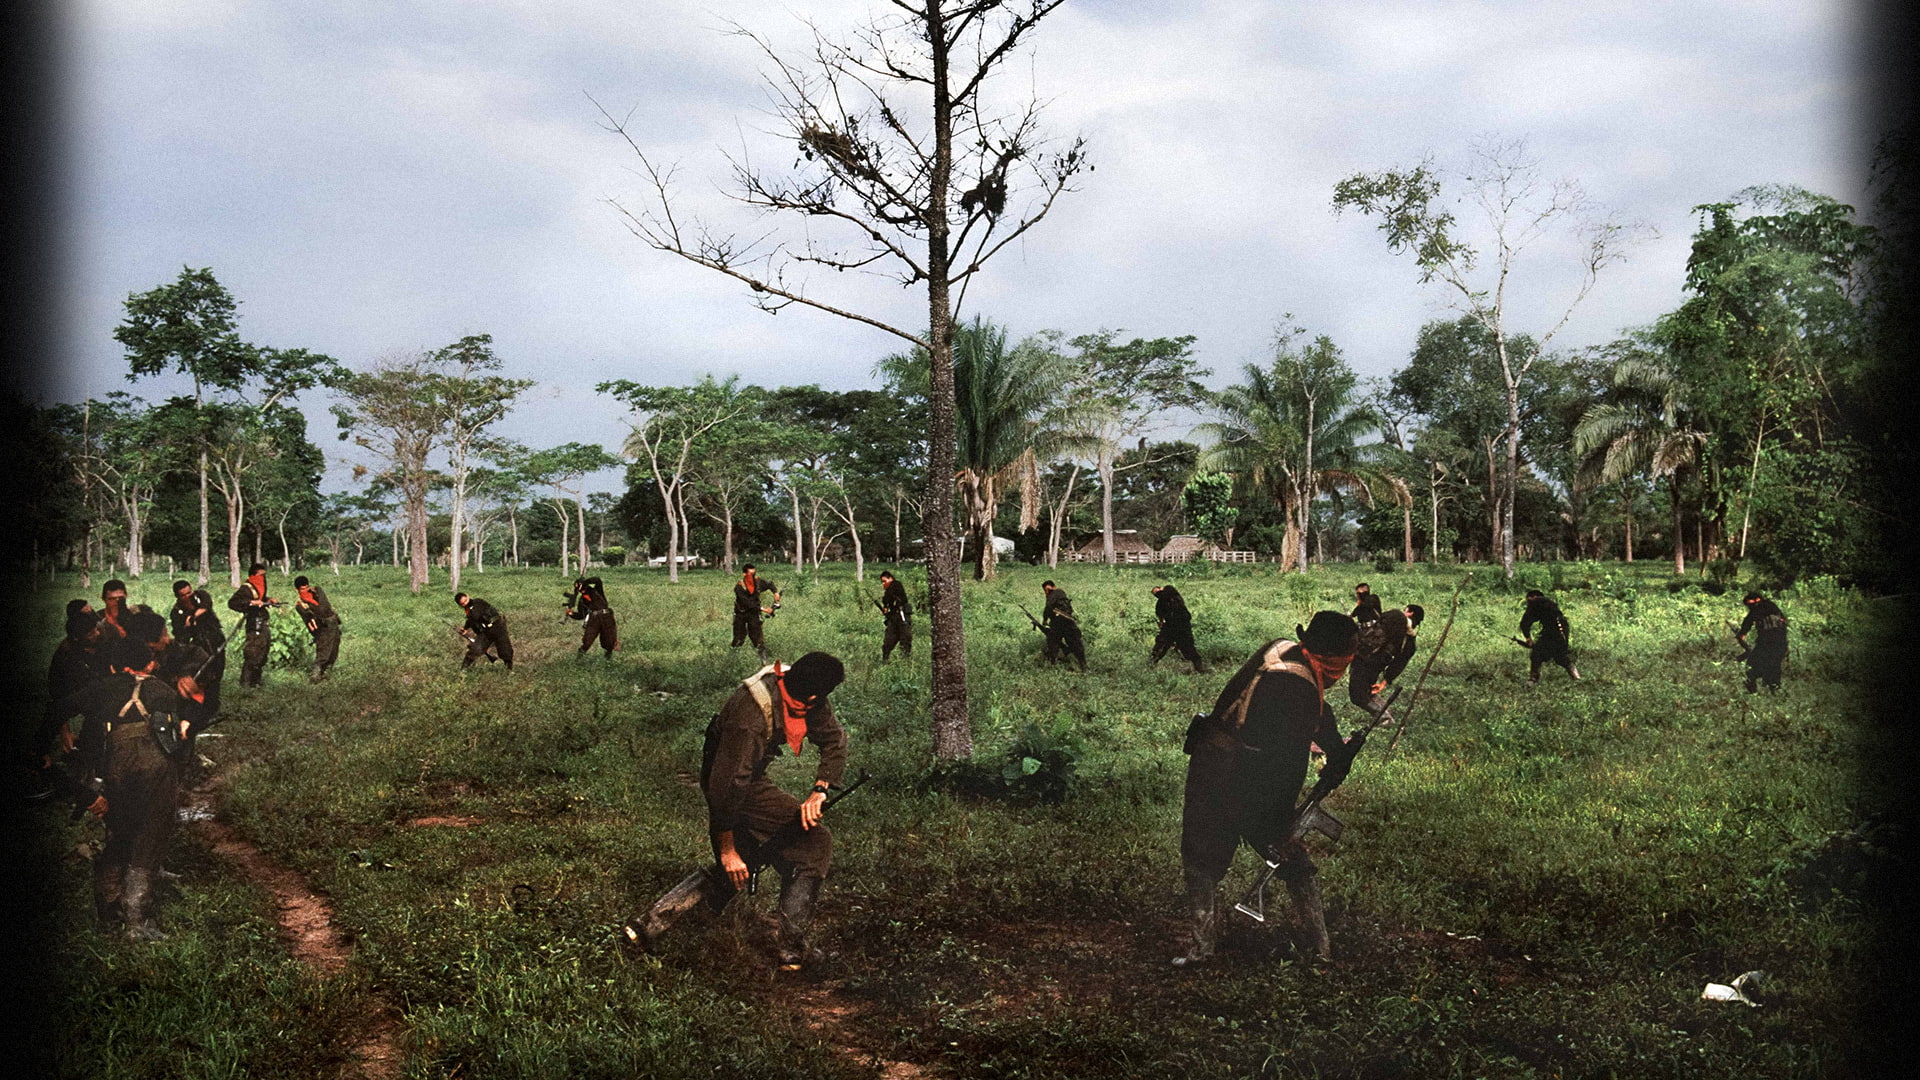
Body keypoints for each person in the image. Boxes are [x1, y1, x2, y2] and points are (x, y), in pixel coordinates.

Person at [626, 652, 850, 971]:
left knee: (767, 851)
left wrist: (820, 790)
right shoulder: (750, 718)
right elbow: (726, 789)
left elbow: (834, 741)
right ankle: (657, 930)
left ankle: (653, 929)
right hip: (725, 775)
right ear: (812, 696)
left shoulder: (804, 690)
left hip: (750, 777)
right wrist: (727, 849)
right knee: (778, 851)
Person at [1175, 611, 1364, 966]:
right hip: (1228, 770)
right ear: (1330, 659)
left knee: (1207, 855)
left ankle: (1315, 947)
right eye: (1343, 663)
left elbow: (1319, 711)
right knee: (1260, 849)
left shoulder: (1285, 651)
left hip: (1221, 758)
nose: (1343, 673)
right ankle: (1205, 948)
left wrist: (1337, 750)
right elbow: (1286, 763)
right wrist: (1283, 822)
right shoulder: (1291, 686)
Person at [49, 613, 190, 940]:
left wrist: (45, 748)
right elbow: (179, 737)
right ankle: (138, 923)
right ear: (149, 663)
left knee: (121, 834)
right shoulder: (163, 692)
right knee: (150, 837)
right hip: (156, 770)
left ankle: (108, 912)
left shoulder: (103, 689)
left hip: (115, 768)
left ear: (115, 665)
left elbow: (59, 708)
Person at [1348, 604, 1422, 714]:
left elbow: (1374, 626)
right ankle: (1384, 715)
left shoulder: (1396, 616)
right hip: (1375, 667)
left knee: (1357, 696)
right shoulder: (1410, 643)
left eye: (1405, 610)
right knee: (1366, 692)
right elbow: (1399, 663)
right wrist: (1384, 681)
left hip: (1363, 658)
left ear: (1410, 613)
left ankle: (1383, 717)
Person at [169, 580, 226, 715]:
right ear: (178, 597)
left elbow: (206, 606)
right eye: (184, 595)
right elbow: (179, 634)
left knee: (218, 671)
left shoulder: (201, 595)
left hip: (214, 640)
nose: (188, 596)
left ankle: (213, 704)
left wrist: (193, 616)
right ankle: (203, 706)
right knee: (204, 675)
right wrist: (187, 626)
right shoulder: (176, 612)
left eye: (189, 592)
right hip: (197, 646)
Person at [226, 563, 278, 687]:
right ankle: (245, 683)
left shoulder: (260, 587)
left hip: (264, 622)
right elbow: (232, 603)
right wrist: (250, 603)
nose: (263, 578)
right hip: (254, 624)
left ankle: (256, 682)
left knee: (263, 653)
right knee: (252, 653)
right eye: (261, 575)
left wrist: (268, 600)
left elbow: (261, 598)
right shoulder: (246, 588)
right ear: (253, 575)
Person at [1519, 590, 1580, 683]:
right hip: (1562, 628)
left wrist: (1528, 638)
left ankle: (1533, 679)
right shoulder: (1549, 603)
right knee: (1560, 656)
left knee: (1536, 654)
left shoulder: (1535, 602)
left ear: (1532, 597)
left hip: (1552, 631)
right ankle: (1576, 677)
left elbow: (1525, 623)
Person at [1736, 591, 1789, 693]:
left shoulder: (1762, 607)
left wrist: (1742, 633)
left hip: (1770, 643)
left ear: (1756, 600)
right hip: (1778, 643)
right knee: (1771, 669)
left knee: (1752, 667)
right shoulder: (1770, 607)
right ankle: (1773, 694)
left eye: (1750, 604)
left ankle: (1755, 693)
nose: (1749, 607)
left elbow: (1749, 620)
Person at [292, 575, 342, 682]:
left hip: (333, 623)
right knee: (323, 653)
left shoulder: (317, 591)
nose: (305, 590)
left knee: (334, 651)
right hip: (322, 628)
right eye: (302, 589)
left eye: (306, 588)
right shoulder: (300, 605)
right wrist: (316, 633)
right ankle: (315, 676)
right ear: (297, 590)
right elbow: (308, 620)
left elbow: (325, 607)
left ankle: (327, 674)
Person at [1150, 584, 1205, 673]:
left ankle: (1199, 668)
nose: (1158, 594)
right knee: (1161, 646)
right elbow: (1160, 616)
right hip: (1175, 625)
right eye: (1155, 593)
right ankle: (1151, 664)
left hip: (1179, 625)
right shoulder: (1165, 601)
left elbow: (1161, 615)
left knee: (1186, 648)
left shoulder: (1169, 594)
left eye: (1158, 591)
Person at [731, 564, 780, 662]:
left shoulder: (758, 582)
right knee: (739, 638)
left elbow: (769, 584)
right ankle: (733, 660)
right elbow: (747, 603)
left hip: (754, 614)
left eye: (754, 573)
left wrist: (775, 592)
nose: (753, 576)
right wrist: (763, 609)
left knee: (757, 639)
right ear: (744, 574)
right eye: (750, 574)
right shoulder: (740, 587)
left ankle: (763, 662)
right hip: (741, 614)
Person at [455, 593, 514, 670]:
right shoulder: (468, 610)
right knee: (475, 649)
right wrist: (465, 628)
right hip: (486, 631)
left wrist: (469, 618)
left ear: (468, 596)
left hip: (498, 626)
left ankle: (509, 669)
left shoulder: (478, 602)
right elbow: (471, 620)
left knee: (505, 649)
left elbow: (475, 616)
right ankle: (463, 670)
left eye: (466, 600)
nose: (465, 603)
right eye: (463, 603)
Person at [565, 575, 619, 659]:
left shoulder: (597, 590)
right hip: (594, 620)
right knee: (587, 641)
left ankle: (608, 658)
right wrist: (571, 614)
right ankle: (579, 659)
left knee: (609, 641)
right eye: (578, 589)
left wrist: (584, 582)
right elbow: (581, 615)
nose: (580, 590)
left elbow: (597, 580)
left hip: (606, 617)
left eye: (581, 587)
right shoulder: (582, 600)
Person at [1040, 580, 1086, 670]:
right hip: (1068, 620)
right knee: (1075, 643)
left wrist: (1045, 620)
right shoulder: (1062, 593)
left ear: (1053, 587)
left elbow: (1048, 607)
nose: (1046, 592)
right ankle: (1083, 664)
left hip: (1058, 622)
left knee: (1053, 642)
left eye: (1047, 589)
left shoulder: (1053, 594)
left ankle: (1053, 664)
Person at [878, 570, 913, 661]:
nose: (883, 584)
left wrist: (885, 603)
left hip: (902, 616)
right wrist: (886, 607)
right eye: (882, 582)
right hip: (893, 618)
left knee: (905, 639)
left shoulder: (896, 584)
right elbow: (887, 599)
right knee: (888, 641)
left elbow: (889, 596)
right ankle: (885, 660)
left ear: (891, 579)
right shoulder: (888, 590)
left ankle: (905, 662)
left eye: (885, 581)